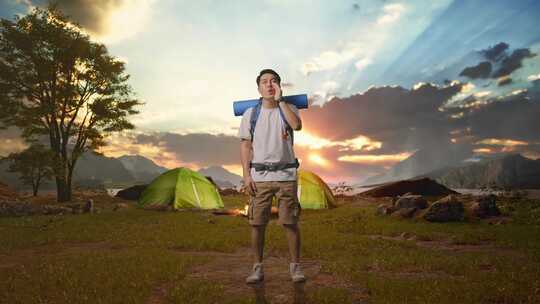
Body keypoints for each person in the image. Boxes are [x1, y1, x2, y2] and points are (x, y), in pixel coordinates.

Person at [238, 69, 305, 284]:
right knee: (257, 224)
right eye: (265, 82)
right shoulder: (251, 114)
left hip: (287, 175)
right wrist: (246, 175)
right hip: (260, 177)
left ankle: (295, 268)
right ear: (258, 88)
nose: (269, 85)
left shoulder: (290, 108)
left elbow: (297, 125)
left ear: (278, 86)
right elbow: (246, 146)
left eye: (273, 81)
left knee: (290, 223)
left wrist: (281, 101)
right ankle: (257, 268)